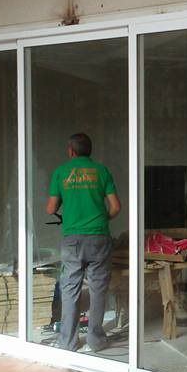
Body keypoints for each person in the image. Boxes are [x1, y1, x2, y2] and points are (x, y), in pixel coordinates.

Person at [46, 133, 121, 352]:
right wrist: (102, 219)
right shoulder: (101, 171)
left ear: (71, 151)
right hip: (99, 237)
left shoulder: (61, 172)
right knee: (98, 289)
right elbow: (116, 206)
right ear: (89, 150)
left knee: (70, 289)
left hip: (73, 240)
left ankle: (68, 342)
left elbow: (50, 209)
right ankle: (95, 341)